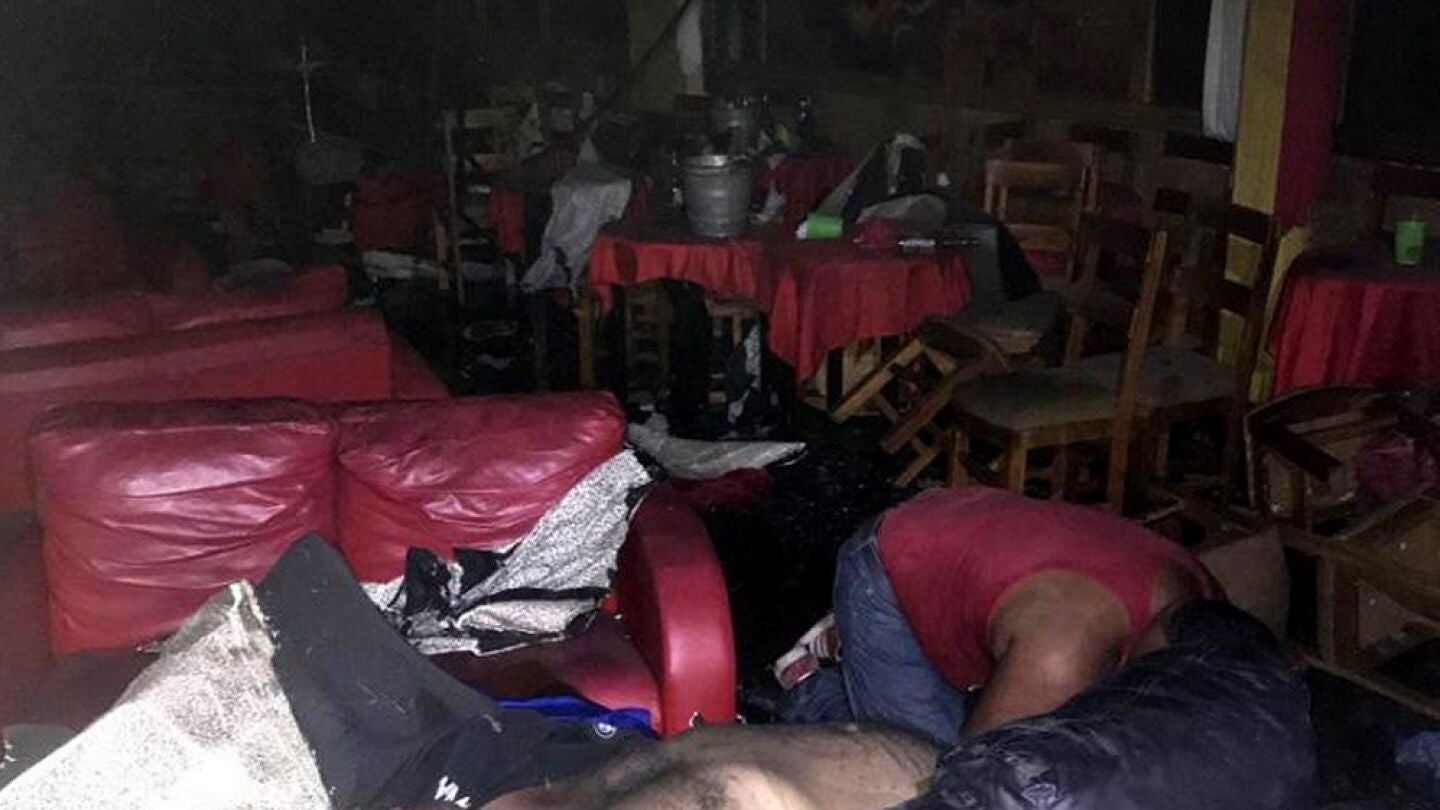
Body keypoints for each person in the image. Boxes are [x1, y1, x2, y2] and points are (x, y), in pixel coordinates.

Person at [779, 486, 1216, 746]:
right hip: (889, 561)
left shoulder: (1203, 597)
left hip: (975, 531)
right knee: (915, 764)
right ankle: (811, 683)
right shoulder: (1062, 655)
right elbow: (974, 783)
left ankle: (859, 647)